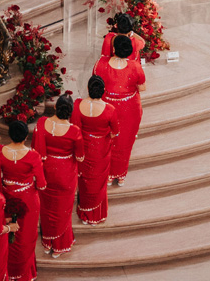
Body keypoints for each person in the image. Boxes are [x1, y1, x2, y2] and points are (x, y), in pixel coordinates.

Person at [0, 120, 45, 281]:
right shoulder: (33, 156)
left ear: (9, 135)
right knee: (26, 238)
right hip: (28, 200)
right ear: (25, 137)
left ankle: (8, 271)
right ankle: (24, 273)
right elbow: (42, 185)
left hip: (6, 197)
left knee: (8, 238)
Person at [33, 94, 84, 256]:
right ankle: (59, 245)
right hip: (65, 174)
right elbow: (80, 156)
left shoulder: (42, 123)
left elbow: (36, 149)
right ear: (70, 112)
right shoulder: (75, 131)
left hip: (47, 172)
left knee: (47, 209)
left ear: (55, 107)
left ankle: (47, 242)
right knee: (63, 210)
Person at [94, 34, 146, 185]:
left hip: (107, 107)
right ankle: (121, 175)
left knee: (109, 140)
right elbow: (142, 87)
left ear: (114, 48)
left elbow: (95, 84)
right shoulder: (135, 67)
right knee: (124, 142)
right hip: (129, 109)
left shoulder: (101, 64)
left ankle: (108, 174)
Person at [71, 75, 118, 225]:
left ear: (87, 89)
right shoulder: (110, 109)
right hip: (101, 150)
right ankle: (96, 215)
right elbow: (114, 132)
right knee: (98, 181)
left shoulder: (78, 105)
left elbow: (75, 128)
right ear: (103, 90)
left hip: (84, 149)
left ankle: (84, 213)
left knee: (85, 181)